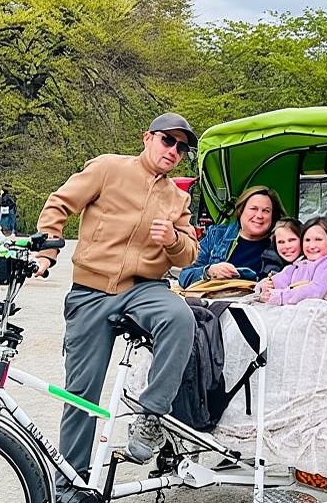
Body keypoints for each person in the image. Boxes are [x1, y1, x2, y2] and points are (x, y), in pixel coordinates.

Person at [33, 112, 200, 471]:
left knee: (180, 317)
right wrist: (47, 253)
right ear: (147, 137)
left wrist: (172, 240)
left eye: (182, 148)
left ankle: (152, 414)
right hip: (91, 290)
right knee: (81, 394)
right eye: (167, 140)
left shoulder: (177, 199)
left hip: (143, 288)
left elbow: (189, 254)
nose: (174, 151)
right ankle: (70, 482)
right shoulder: (108, 168)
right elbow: (59, 204)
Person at [176, 185, 285, 287]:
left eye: (266, 211)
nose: (259, 215)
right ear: (241, 211)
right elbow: (185, 276)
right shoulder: (216, 235)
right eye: (253, 209)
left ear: (273, 216)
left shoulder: (283, 243)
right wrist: (209, 271)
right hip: (217, 303)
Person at [260, 216, 327, 305]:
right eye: (307, 240)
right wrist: (267, 285)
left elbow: (316, 291)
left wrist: (280, 296)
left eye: (318, 239)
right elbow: (281, 279)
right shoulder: (299, 264)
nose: (312, 246)